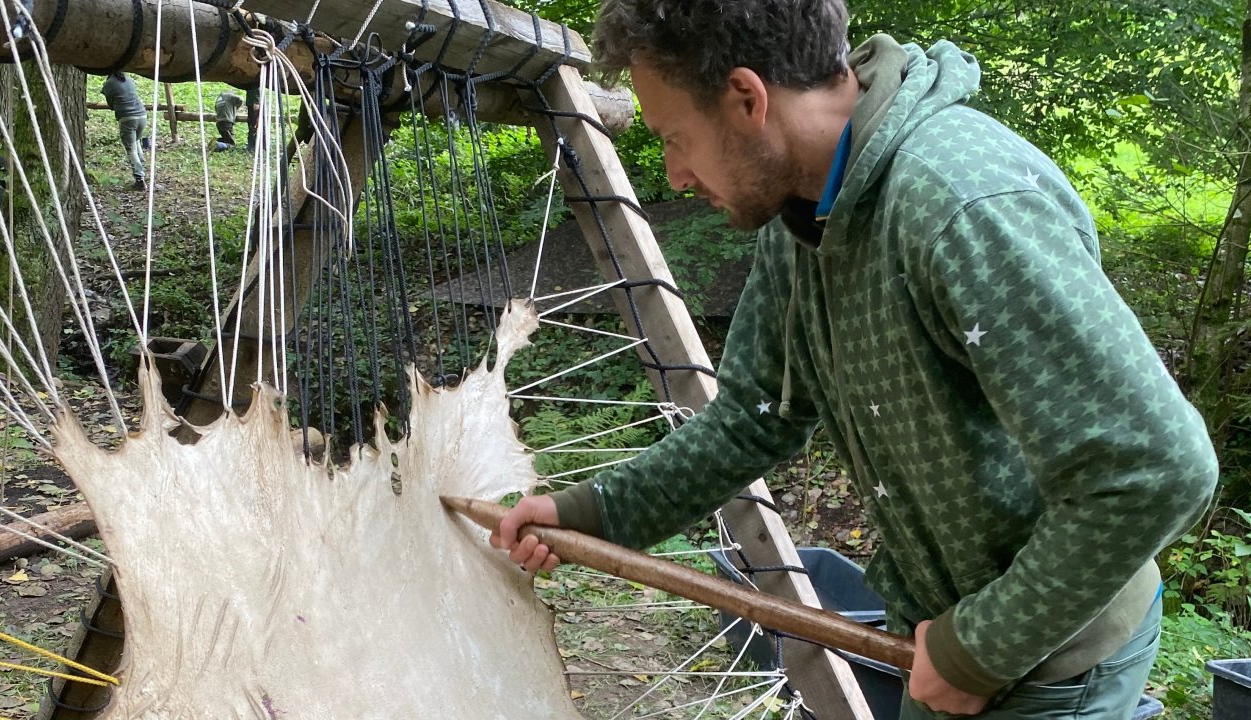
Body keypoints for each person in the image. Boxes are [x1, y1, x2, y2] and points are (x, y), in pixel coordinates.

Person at [491, 2, 1219, 718]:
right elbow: (751, 418)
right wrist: (593, 513)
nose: (676, 174)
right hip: (946, 630)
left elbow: (1156, 467)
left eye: (675, 137)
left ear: (748, 98)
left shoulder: (960, 203)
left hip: (1051, 656)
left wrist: (984, 650)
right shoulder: (804, 216)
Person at [99, 73, 148, 190]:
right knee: (136, 142)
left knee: (131, 148)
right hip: (142, 115)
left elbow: (111, 105)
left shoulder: (108, 84)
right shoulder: (128, 79)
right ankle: (142, 169)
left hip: (127, 118)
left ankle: (139, 179)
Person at [245, 85, 262, 153]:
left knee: (255, 124)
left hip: (254, 103)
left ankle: (255, 145)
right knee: (251, 124)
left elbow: (256, 86)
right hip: (250, 102)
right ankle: (252, 145)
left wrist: (256, 101)